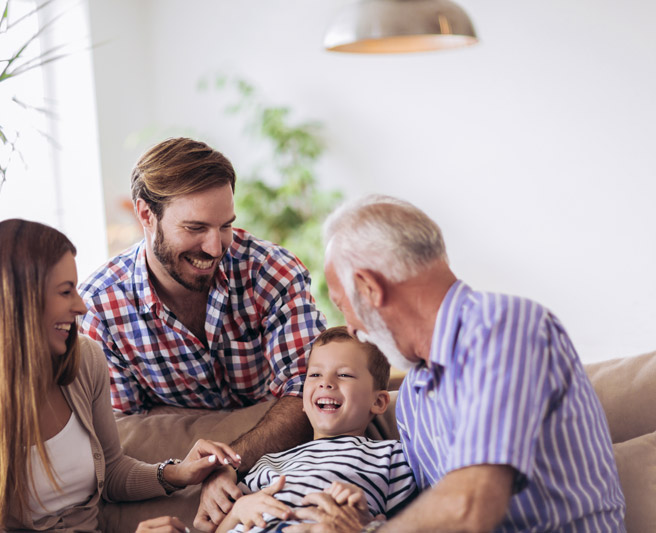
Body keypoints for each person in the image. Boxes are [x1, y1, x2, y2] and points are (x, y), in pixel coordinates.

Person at [284, 195, 626, 532]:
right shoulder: (415, 397)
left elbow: (471, 507)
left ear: (369, 288)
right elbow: (435, 516)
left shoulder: (504, 326)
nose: (355, 331)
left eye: (344, 306)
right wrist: (365, 524)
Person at [0, 219, 240, 533]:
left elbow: (110, 470)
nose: (81, 306)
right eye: (66, 292)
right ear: (17, 301)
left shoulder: (84, 362)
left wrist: (177, 473)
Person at [79, 137, 327, 530]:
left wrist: (230, 463)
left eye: (225, 226)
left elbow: (311, 392)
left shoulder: (273, 273)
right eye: (195, 228)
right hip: (175, 488)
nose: (215, 246)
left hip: (280, 471)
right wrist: (257, 419)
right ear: (146, 215)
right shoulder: (101, 307)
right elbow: (122, 438)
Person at [215, 326, 417, 533]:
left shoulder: (392, 457)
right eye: (315, 374)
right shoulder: (269, 462)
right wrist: (237, 511)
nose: (326, 383)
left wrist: (368, 524)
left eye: (344, 375)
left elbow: (415, 523)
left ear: (378, 401)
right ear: (302, 399)